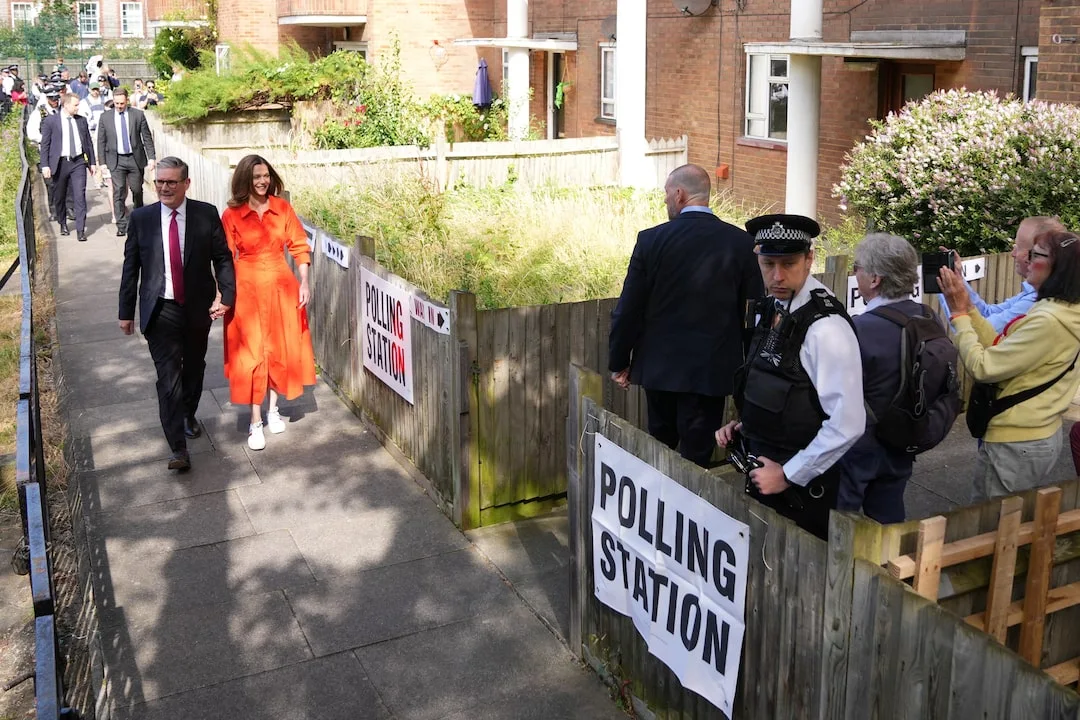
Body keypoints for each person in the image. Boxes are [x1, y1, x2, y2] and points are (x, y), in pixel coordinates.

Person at [715, 214, 865, 539]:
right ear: (757, 256)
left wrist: (788, 474)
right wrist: (746, 425)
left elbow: (849, 422)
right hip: (764, 470)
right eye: (768, 263)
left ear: (810, 258)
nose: (777, 276)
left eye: (789, 263)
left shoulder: (826, 330)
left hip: (801, 491)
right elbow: (780, 382)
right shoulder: (775, 305)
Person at [608, 164, 763, 467]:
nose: (666, 201)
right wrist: (748, 374)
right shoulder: (741, 243)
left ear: (679, 194)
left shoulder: (651, 241)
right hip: (712, 370)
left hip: (659, 369)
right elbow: (752, 315)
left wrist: (619, 363)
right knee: (697, 458)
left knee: (660, 450)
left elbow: (628, 308)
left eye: (666, 194)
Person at [940, 230, 1080, 500]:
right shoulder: (1061, 310)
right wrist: (968, 306)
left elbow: (983, 366)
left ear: (1057, 269)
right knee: (1010, 522)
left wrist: (958, 316)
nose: (1025, 259)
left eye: (1035, 255)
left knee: (991, 531)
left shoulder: (1048, 321)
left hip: (1016, 443)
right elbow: (1000, 344)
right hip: (1037, 433)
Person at [118, 157, 236, 471]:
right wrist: (125, 312)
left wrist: (227, 295)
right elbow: (131, 269)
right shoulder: (142, 218)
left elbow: (222, 258)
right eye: (160, 182)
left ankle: (187, 413)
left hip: (197, 307)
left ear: (186, 183)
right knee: (168, 378)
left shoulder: (204, 214)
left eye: (171, 182)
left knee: (194, 367)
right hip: (160, 309)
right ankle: (178, 449)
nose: (165, 188)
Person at [220, 155, 316, 450]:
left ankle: (273, 409)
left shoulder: (282, 208)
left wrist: (305, 282)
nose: (262, 181)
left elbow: (299, 246)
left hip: (280, 286)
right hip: (246, 289)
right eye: (256, 177)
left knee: (278, 348)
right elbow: (223, 259)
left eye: (265, 176)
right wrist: (221, 295)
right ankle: (254, 421)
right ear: (244, 180)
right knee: (250, 354)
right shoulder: (231, 215)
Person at [837, 233, 929, 523]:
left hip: (860, 444)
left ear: (874, 278)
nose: (855, 272)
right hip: (904, 437)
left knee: (843, 522)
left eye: (857, 267)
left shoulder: (860, 328)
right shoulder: (927, 317)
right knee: (889, 517)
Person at [940, 216, 1067, 333]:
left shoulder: (1036, 301)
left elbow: (978, 334)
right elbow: (986, 314)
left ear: (1037, 255)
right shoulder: (1035, 293)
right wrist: (957, 279)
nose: (1013, 254)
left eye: (1018, 248)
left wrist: (950, 295)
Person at [98, 87, 156, 236]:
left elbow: (147, 137)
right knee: (118, 191)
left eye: (121, 103)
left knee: (137, 190)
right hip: (116, 160)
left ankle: (139, 219)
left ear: (127, 101)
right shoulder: (105, 117)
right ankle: (122, 225)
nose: (119, 106)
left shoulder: (137, 115)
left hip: (135, 158)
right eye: (116, 103)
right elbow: (101, 141)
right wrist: (102, 163)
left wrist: (152, 158)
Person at [39, 93, 96, 242]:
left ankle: (80, 229)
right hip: (60, 163)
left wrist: (92, 163)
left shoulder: (81, 121)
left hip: (78, 162)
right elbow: (45, 145)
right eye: (75, 105)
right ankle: (62, 222)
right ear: (66, 105)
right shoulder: (51, 121)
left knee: (79, 194)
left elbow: (88, 144)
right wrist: (45, 165)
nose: (78, 107)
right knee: (60, 196)